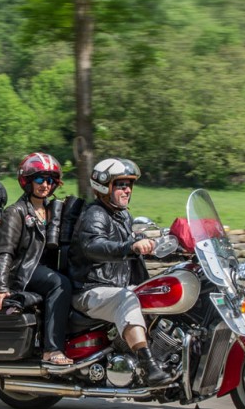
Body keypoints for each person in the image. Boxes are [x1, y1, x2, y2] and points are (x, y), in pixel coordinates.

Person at [67, 157, 173, 386]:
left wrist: (170, 246)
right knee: (128, 299)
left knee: (161, 292)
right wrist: (130, 247)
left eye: (129, 185)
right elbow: (93, 246)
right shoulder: (95, 214)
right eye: (121, 185)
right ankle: (148, 366)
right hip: (91, 288)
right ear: (104, 187)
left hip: (115, 286)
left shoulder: (122, 215)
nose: (127, 190)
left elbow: (132, 241)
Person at [0, 151, 74, 366]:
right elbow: (5, 251)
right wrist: (0, 286)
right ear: (27, 181)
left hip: (43, 268)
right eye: (39, 179)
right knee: (60, 284)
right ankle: (52, 350)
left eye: (50, 180)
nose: (45, 185)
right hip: (23, 271)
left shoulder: (53, 209)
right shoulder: (15, 212)